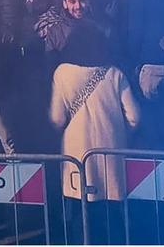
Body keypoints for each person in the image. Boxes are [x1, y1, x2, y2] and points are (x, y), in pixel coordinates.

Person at [51, 53, 140, 243]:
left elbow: (57, 119)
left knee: (79, 213)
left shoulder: (62, 72)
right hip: (111, 155)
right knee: (112, 216)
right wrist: (120, 136)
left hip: (75, 155)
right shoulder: (115, 73)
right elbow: (134, 117)